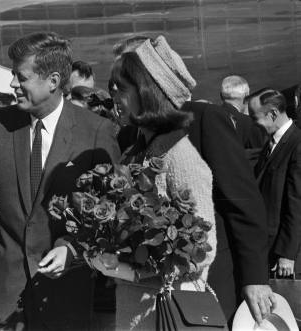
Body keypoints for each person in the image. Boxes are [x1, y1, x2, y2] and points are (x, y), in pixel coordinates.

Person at [0, 32, 120, 330]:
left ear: (53, 81)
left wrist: (72, 247)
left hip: (65, 292)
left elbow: (111, 208)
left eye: (21, 76)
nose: (13, 84)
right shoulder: (0, 123)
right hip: (6, 290)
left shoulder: (96, 131)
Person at [115, 35, 274, 325]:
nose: (115, 90)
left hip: (208, 275)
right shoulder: (130, 135)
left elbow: (242, 199)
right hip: (150, 287)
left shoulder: (203, 119)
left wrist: (255, 278)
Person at [93, 38, 217, 330]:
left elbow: (202, 251)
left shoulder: (180, 157)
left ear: (147, 93)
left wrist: (132, 272)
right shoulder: (136, 151)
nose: (113, 96)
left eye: (120, 88)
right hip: (139, 309)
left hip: (169, 311)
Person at [250, 88, 301, 277]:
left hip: (282, 253)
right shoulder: (271, 142)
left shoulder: (297, 144)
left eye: (256, 118)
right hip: (267, 244)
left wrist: (287, 254)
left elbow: (296, 203)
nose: (254, 124)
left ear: (272, 114)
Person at [220, 75, 266, 151]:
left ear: (221, 95)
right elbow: (259, 156)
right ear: (247, 95)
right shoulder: (248, 123)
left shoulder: (209, 116)